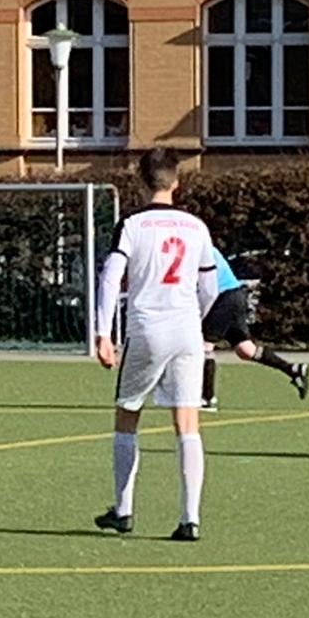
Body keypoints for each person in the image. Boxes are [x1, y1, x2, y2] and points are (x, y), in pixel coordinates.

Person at [94, 148, 219, 542]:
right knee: (187, 423)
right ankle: (190, 518)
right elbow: (210, 287)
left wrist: (103, 333)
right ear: (176, 181)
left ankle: (124, 510)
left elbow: (110, 278)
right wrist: (195, 319)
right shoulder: (196, 227)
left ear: (140, 181)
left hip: (147, 328)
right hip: (187, 332)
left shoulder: (132, 225)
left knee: (128, 413)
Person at [200, 246, 309, 412]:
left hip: (224, 298)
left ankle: (207, 399)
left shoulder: (196, 247)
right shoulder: (198, 244)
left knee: (204, 347)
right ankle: (293, 369)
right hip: (235, 295)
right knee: (246, 350)